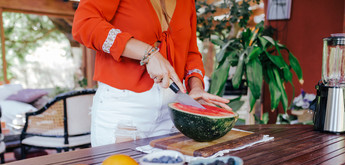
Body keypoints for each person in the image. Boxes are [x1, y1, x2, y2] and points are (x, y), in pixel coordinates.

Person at [72, 0, 231, 147]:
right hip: (124, 108)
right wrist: (148, 54)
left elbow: (191, 52)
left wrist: (196, 86)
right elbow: (84, 24)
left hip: (173, 111)